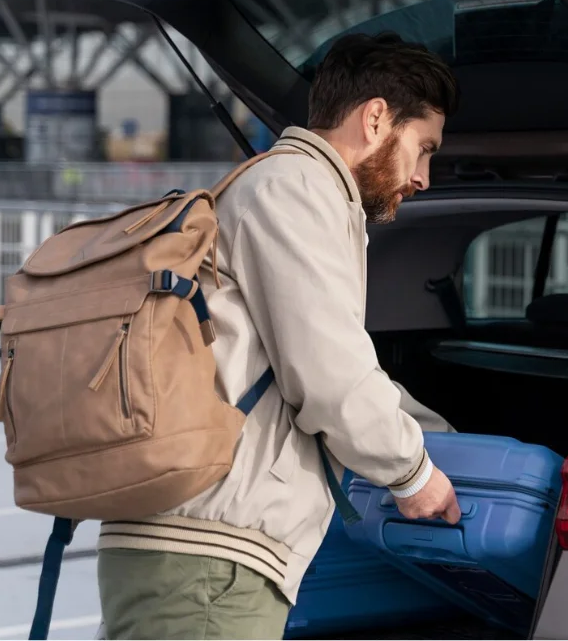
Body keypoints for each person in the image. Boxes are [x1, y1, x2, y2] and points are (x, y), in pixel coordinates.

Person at [95, 32, 463, 640]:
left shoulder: (289, 189)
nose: (425, 176)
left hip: (198, 553)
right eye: (423, 148)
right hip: (208, 562)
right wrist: (413, 474)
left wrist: (443, 442)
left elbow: (341, 364)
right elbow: (331, 377)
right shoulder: (295, 189)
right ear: (376, 118)